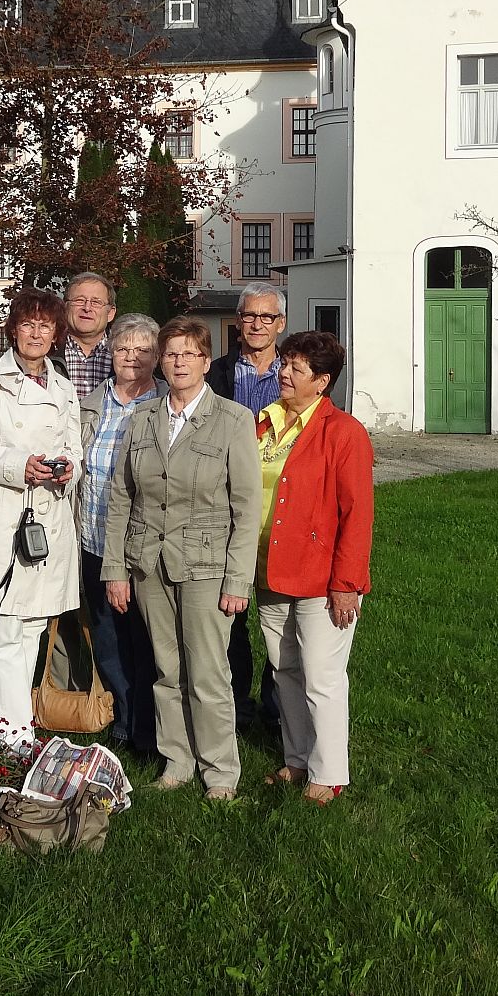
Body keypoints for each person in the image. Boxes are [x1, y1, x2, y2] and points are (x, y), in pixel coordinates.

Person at [102, 316, 259, 800]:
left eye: (189, 354)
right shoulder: (143, 419)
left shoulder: (233, 420)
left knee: (208, 673)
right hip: (149, 563)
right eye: (171, 354)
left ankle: (220, 772)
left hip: (207, 566)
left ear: (206, 362)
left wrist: (238, 580)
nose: (179, 362)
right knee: (167, 671)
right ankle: (178, 760)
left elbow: (247, 507)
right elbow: (121, 496)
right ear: (161, 362)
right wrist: (115, 569)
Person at [0, 289, 83, 757]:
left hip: (49, 518)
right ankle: (8, 734)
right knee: (4, 627)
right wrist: (20, 465)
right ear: (13, 328)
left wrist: (66, 468)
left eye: (46, 326)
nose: (37, 333)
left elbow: (75, 449)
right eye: (29, 324)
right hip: (4, 517)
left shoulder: (63, 388)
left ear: (56, 333)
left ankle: (19, 724)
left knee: (34, 626)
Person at [255, 331, 374, 804]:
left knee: (322, 675)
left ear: (321, 381)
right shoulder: (265, 422)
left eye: (296, 368)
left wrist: (347, 583)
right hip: (269, 570)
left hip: (321, 577)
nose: (283, 373)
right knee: (285, 671)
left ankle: (329, 772)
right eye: (284, 364)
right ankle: (297, 758)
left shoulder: (344, 432)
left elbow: (357, 513)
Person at [77, 313, 166, 759]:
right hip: (94, 541)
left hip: (143, 549)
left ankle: (152, 732)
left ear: (158, 357)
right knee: (109, 640)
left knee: (148, 642)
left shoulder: (167, 408)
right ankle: (124, 720)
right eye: (122, 349)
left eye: (143, 350)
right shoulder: (92, 405)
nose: (131, 358)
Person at [208, 282, 289, 734]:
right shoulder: (216, 373)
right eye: (250, 317)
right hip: (223, 509)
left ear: (280, 324)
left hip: (279, 510)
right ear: (238, 322)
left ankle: (278, 709)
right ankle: (235, 705)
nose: (257, 325)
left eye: (267, 317)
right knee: (230, 614)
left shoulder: (295, 373)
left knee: (280, 618)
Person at [58, 271, 117, 399]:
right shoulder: (47, 354)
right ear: (65, 308)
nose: (87, 308)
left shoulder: (124, 357)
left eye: (96, 302)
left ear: (110, 313)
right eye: (79, 300)